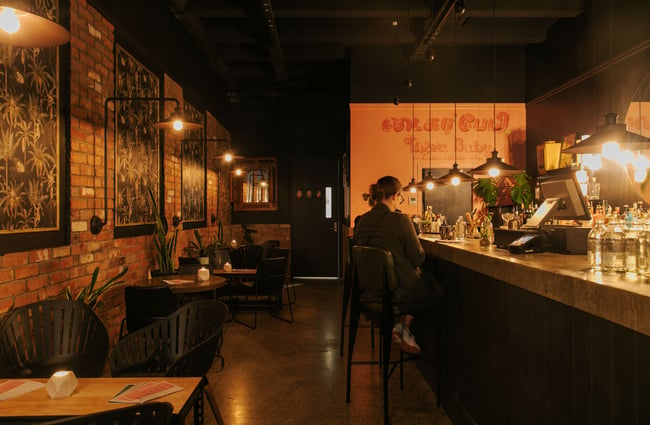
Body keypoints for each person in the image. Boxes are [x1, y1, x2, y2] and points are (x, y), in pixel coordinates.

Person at [353, 175, 444, 354]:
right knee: (433, 284)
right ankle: (404, 326)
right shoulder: (401, 220)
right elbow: (418, 258)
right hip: (394, 293)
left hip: (367, 292)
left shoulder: (362, 220)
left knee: (415, 279)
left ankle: (403, 327)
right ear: (395, 196)